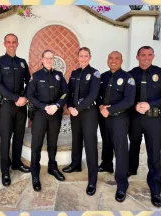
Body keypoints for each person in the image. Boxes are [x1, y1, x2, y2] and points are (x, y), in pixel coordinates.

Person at [128, 46, 161, 207]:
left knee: (154, 153)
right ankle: (131, 169)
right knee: (133, 145)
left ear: (153, 56)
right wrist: (135, 106)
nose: (146, 58)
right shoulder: (131, 74)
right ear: (137, 57)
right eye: (143, 55)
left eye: (149, 55)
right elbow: (126, 95)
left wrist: (150, 104)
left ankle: (155, 188)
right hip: (135, 118)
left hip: (154, 120)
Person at [0, 33, 31, 187]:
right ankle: (5, 170)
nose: (11, 44)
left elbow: (30, 82)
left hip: (21, 105)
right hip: (7, 105)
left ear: (17, 44)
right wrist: (15, 98)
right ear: (4, 44)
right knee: (6, 137)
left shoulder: (22, 63)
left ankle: (16, 163)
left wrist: (25, 98)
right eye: (8, 42)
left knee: (19, 135)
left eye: (14, 42)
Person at [26, 50, 69, 191]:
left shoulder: (59, 75)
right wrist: (44, 106)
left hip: (55, 115)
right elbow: (30, 95)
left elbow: (65, 93)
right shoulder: (36, 76)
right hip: (40, 115)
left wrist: (57, 106)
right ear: (42, 60)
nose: (49, 60)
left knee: (53, 143)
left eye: (51, 58)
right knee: (36, 145)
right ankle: (35, 173)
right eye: (47, 58)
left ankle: (52, 167)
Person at [98, 51, 136, 202]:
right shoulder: (103, 76)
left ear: (121, 60)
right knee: (106, 142)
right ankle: (107, 164)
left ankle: (121, 184)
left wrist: (110, 110)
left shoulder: (128, 78)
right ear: (107, 60)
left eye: (116, 58)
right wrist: (101, 106)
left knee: (120, 149)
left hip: (119, 117)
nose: (113, 61)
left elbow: (129, 101)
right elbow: (98, 95)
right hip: (104, 116)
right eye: (110, 58)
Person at [62, 47, 100, 196]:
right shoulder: (74, 73)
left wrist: (79, 108)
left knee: (90, 145)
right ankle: (76, 164)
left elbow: (93, 94)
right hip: (74, 113)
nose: (83, 58)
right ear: (77, 57)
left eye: (86, 56)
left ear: (90, 57)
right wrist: (70, 106)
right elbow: (70, 93)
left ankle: (92, 180)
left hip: (88, 113)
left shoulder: (95, 73)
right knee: (76, 140)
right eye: (81, 56)